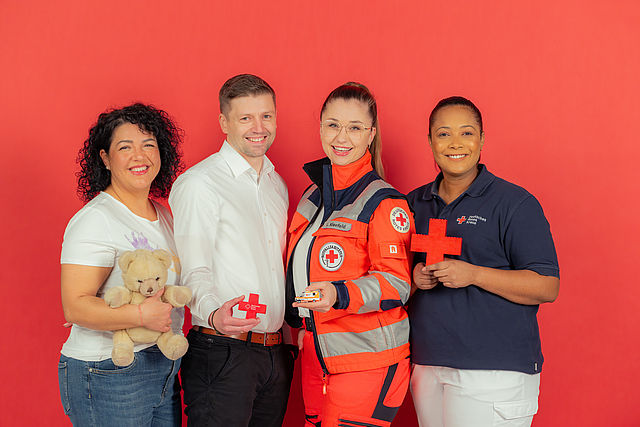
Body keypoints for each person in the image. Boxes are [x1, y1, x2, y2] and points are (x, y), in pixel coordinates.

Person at [408, 96, 560, 427]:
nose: (455, 144)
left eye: (467, 133)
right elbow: (391, 277)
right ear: (430, 140)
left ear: (482, 139)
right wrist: (415, 278)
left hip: (493, 372)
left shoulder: (514, 203)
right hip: (428, 365)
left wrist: (474, 274)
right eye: (443, 134)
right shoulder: (413, 203)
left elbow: (547, 286)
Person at [168, 74, 294, 426]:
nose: (259, 127)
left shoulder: (275, 184)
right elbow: (191, 270)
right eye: (245, 118)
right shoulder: (199, 184)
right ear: (224, 122)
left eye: (266, 116)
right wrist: (213, 314)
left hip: (274, 354)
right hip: (222, 351)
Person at [286, 82, 414, 427]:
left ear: (370, 134)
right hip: (317, 356)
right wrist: (300, 325)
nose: (341, 137)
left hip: (366, 360)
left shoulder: (385, 203)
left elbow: (396, 284)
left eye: (354, 128)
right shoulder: (312, 197)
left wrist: (337, 293)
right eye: (332, 125)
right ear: (321, 128)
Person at [59, 103, 186, 426]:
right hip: (108, 370)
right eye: (125, 147)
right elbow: (75, 307)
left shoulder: (165, 216)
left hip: (162, 365)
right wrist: (140, 314)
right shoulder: (95, 220)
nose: (139, 156)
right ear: (105, 158)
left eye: (148, 145)